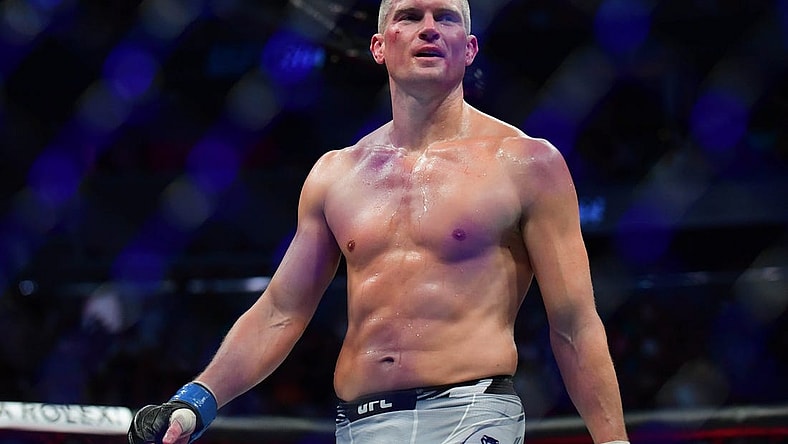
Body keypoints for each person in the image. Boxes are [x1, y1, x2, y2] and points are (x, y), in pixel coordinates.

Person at [128, 0, 629, 442]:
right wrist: (196, 399)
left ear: (470, 47)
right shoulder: (336, 174)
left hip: (473, 416)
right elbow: (281, 310)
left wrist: (612, 442)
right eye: (410, 16)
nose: (429, 28)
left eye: (446, 17)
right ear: (379, 46)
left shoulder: (526, 163)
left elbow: (574, 324)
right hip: (361, 424)